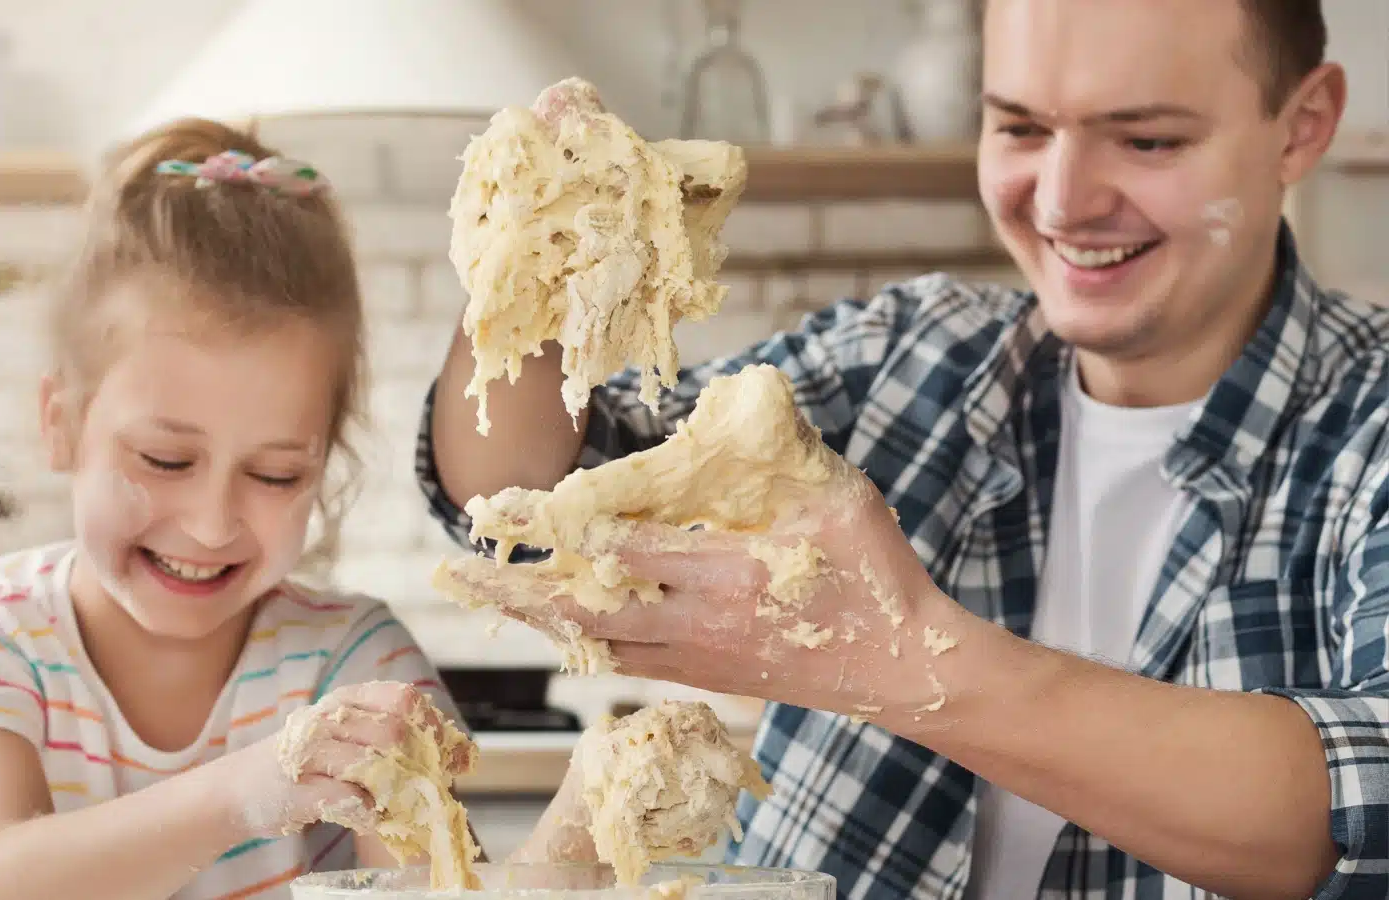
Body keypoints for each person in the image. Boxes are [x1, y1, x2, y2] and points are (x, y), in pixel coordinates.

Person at [419, 1, 1386, 897]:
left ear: (1301, 125)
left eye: (1146, 139)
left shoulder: (1367, 427)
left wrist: (904, 658)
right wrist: (532, 256)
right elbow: (527, 496)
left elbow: (1363, 797)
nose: (1061, 199)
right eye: (1019, 128)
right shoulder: (905, 352)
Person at [0, 119, 586, 900]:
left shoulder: (353, 660)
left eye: (277, 474)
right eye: (165, 460)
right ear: (64, 423)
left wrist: (589, 810)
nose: (212, 524)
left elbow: (434, 893)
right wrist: (250, 789)